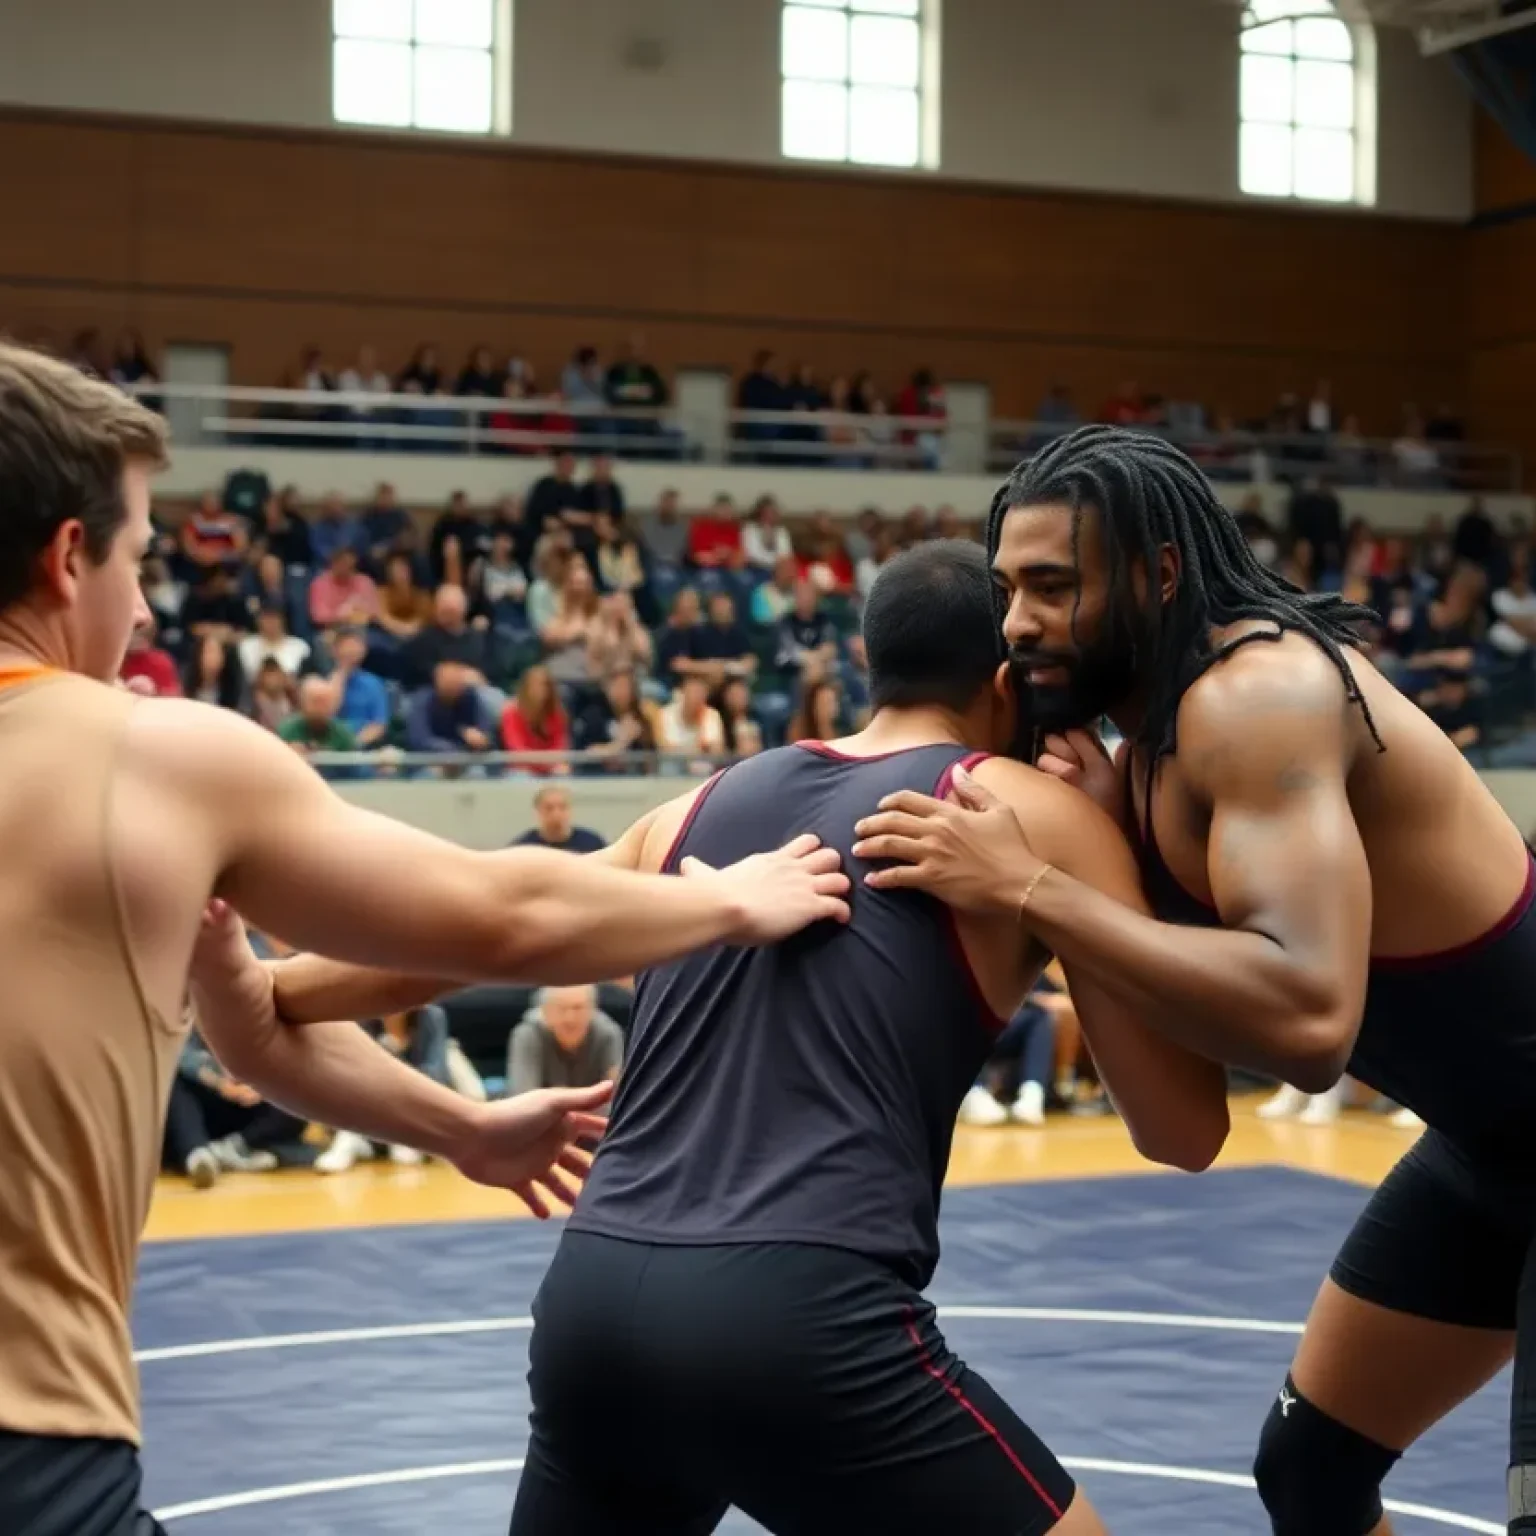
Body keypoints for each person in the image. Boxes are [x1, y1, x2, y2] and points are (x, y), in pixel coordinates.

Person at [0, 343, 850, 1536]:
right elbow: (505, 914)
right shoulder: (149, 758)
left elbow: (244, 1014)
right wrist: (729, 902)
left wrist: (462, 1127)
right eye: (138, 557)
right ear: (70, 555)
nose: (144, 608)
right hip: (27, 1439)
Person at [245, 540, 1230, 1535]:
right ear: (1011, 680)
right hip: (793, 1316)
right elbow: (1182, 1131)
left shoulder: (693, 807)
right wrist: (1113, 855)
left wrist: (268, 985)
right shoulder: (1030, 817)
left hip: (593, 1302)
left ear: (868, 663)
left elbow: (476, 932)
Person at [849, 425, 1536, 1536]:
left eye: (1052, 587)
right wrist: (1102, 849)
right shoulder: (1151, 745)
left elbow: (1311, 1018)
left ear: (1159, 575)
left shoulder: (1251, 699)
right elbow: (1185, 1117)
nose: (1017, 626)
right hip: (1494, 1151)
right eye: (1006, 589)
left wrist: (1040, 889)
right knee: (1310, 1470)